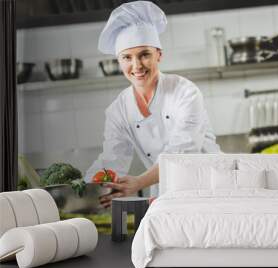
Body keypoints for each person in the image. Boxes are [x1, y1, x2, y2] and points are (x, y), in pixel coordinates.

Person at [84, 1, 220, 207]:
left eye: (144, 54)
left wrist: (138, 182)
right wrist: (85, 186)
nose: (136, 65)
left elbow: (181, 153)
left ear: (159, 55)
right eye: (127, 57)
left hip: (211, 186)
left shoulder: (185, 92)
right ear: (119, 62)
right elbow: (113, 159)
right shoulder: (118, 110)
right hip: (165, 195)